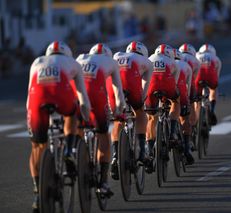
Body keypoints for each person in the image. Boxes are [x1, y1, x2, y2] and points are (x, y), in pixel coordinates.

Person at [26, 41, 91, 212]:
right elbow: (83, 98)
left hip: (37, 98)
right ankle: (69, 150)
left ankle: (37, 190)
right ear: (67, 55)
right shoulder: (73, 63)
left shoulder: (37, 62)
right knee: (72, 112)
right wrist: (85, 118)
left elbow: (29, 98)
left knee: (37, 146)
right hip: (61, 95)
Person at [76, 43, 125, 195]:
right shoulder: (111, 62)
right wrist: (118, 110)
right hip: (96, 95)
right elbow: (118, 93)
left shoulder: (80, 58)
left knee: (76, 125)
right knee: (103, 134)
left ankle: (74, 152)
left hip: (75, 94)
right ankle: (103, 182)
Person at [107, 41, 153, 180]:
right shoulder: (146, 61)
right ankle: (140, 153)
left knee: (117, 120)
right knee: (140, 114)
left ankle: (115, 156)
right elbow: (145, 89)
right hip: (131, 84)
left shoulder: (116, 55)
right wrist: (138, 105)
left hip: (113, 87)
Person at [145, 44, 180, 171]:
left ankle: (149, 151)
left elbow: (144, 79)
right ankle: (172, 133)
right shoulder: (173, 62)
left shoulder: (149, 59)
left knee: (151, 118)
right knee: (176, 101)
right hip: (168, 86)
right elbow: (174, 83)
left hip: (151, 89)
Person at [173, 48, 194, 165]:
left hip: (161, 94)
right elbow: (189, 86)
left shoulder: (168, 63)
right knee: (184, 118)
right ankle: (186, 148)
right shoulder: (185, 65)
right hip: (180, 94)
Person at [179, 43, 200, 149]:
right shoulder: (195, 60)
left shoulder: (174, 57)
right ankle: (191, 128)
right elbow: (194, 78)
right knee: (191, 105)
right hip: (188, 84)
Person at [196, 43, 222, 126]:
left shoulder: (196, 56)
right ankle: (212, 109)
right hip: (211, 78)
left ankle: (196, 116)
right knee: (213, 89)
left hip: (198, 78)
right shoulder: (216, 58)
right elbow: (217, 75)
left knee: (196, 98)